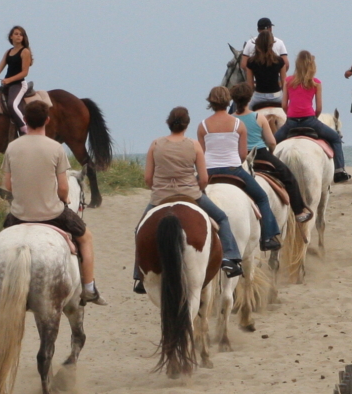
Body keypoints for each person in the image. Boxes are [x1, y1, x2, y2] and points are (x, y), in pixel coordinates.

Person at [0, 99, 105, 305]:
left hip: (19, 214)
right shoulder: (56, 148)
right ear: (47, 120)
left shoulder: (12, 147)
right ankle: (89, 288)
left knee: (1, 241)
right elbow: (64, 188)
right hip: (52, 213)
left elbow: (8, 185)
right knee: (86, 238)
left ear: (25, 120)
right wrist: (64, 198)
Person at [134, 106, 242, 293]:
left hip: (160, 196)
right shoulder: (194, 145)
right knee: (222, 218)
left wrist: (159, 189)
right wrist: (196, 188)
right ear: (186, 125)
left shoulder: (155, 144)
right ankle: (229, 257)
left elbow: (148, 178)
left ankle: (139, 275)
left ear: (168, 123)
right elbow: (204, 178)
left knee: (139, 230)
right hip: (191, 194)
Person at [198, 88, 282, 251]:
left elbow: (201, 155)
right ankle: (267, 237)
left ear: (211, 102)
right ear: (228, 101)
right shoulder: (238, 124)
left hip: (209, 172)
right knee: (262, 197)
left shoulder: (203, 126)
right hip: (233, 169)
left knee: (186, 197)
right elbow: (243, 154)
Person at [276, 50, 352, 184]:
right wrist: (314, 117)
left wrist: (291, 114)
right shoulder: (316, 83)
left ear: (297, 64)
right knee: (335, 138)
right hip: (310, 121)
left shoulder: (288, 81)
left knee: (271, 142)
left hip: (291, 122)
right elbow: (319, 108)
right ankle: (339, 170)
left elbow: (284, 105)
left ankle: (267, 170)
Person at [238, 92, 313, 223]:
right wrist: (271, 153)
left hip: (239, 155)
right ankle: (299, 211)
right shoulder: (258, 117)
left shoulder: (231, 119)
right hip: (260, 153)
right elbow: (272, 142)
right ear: (249, 99)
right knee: (289, 177)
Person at [0, 25, 35, 134]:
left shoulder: (25, 51)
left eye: (21, 35)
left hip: (19, 84)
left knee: (12, 104)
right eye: (16, 34)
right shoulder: (8, 52)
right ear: (11, 37)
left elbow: (24, 72)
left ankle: (25, 128)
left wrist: (9, 80)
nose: (19, 36)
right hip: (8, 85)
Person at [242, 29, 287, 111]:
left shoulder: (251, 62)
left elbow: (250, 86)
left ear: (258, 43)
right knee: (290, 112)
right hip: (276, 96)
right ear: (272, 44)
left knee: (247, 112)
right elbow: (284, 84)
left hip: (259, 96)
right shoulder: (280, 61)